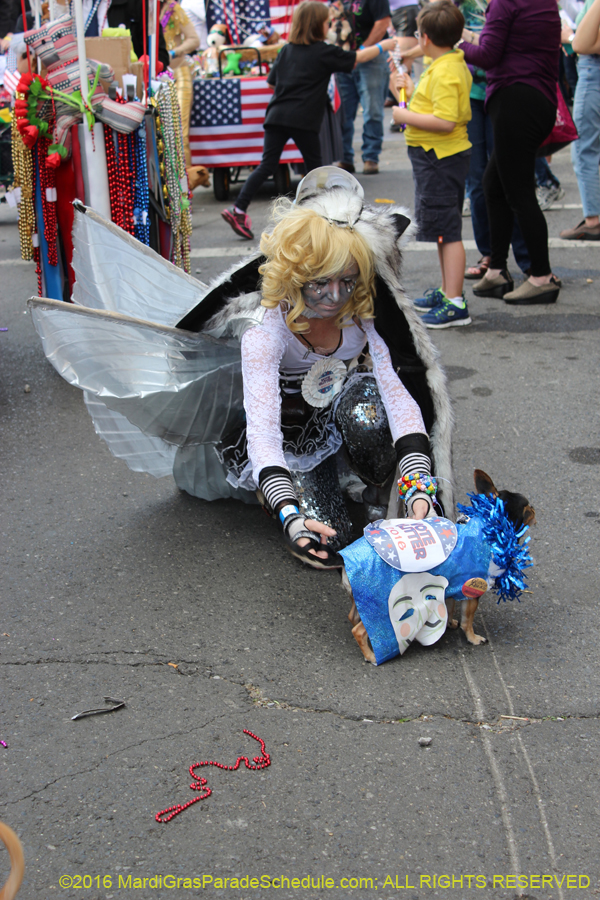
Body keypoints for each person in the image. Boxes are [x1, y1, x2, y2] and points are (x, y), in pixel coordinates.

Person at [29, 167, 454, 570]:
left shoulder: (361, 308)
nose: (335, 296)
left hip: (343, 405)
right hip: (293, 435)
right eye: (321, 281)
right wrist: (290, 516)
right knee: (329, 539)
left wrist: (419, 486)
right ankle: (301, 493)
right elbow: (264, 432)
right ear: (296, 273)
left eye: (347, 280)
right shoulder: (265, 330)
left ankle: (386, 495)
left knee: (370, 408)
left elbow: (400, 394)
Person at [221, 0, 397, 240]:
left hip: (277, 115)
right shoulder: (323, 51)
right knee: (316, 170)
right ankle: (320, 218)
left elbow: (271, 82)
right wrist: (382, 45)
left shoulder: (286, 50)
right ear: (317, 26)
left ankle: (239, 208)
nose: (329, 26)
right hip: (304, 117)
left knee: (267, 164)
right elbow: (356, 58)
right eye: (327, 22)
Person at [460, 0, 562, 304]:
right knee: (495, 186)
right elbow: (507, 44)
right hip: (535, 97)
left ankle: (541, 277)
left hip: (515, 98)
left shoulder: (505, 3)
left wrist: (454, 41)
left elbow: (489, 56)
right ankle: (497, 271)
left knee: (519, 193)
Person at [390, 1, 473, 329]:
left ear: (424, 37)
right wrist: (407, 91)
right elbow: (432, 107)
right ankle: (447, 291)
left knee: (448, 232)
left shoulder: (446, 70)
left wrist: (403, 114)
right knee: (442, 229)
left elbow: (445, 121)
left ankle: (455, 302)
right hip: (435, 157)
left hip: (440, 157)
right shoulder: (445, 64)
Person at [334, 0, 392, 175]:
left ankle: (371, 157)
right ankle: (345, 158)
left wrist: (361, 51)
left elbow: (382, 23)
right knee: (343, 112)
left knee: (372, 110)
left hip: (372, 58)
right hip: (344, 58)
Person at [560, 0, 600, 239]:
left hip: (592, 72)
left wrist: (570, 36)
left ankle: (593, 219)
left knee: (584, 149)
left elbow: (582, 44)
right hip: (589, 68)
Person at [159, 0, 200, 168]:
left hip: (178, 71)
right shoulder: (144, 10)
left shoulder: (173, 9)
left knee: (180, 129)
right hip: (157, 76)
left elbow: (194, 40)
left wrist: (175, 51)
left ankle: (187, 179)